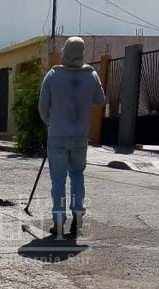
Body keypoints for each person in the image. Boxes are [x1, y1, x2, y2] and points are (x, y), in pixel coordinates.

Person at [37, 37, 106, 239]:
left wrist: (51, 122)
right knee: (77, 175)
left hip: (58, 134)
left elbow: (42, 107)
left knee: (58, 179)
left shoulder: (53, 75)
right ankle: (78, 217)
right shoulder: (91, 75)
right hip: (80, 136)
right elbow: (100, 101)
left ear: (66, 51)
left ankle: (58, 222)